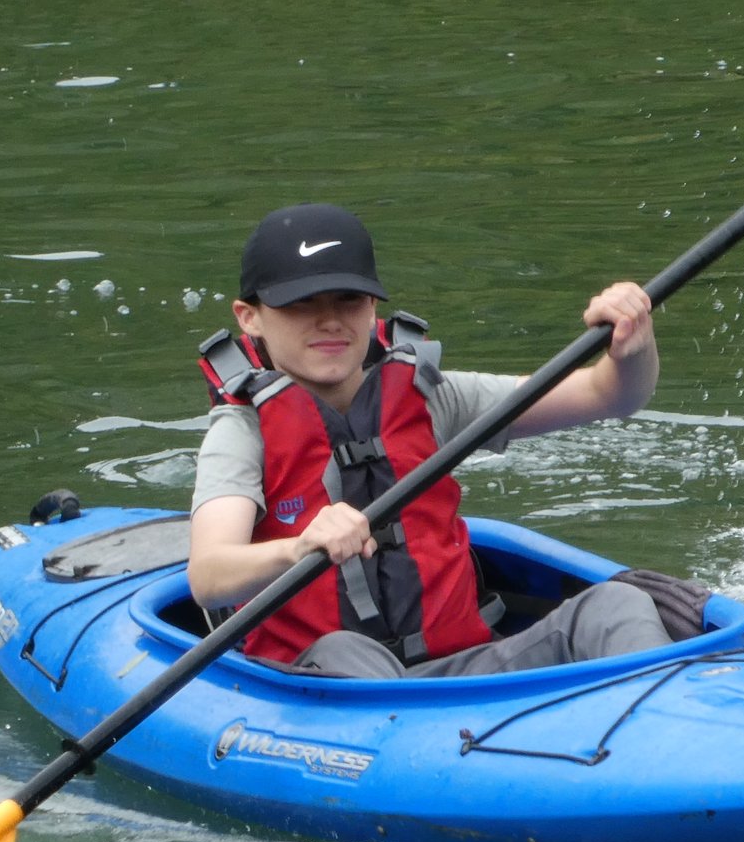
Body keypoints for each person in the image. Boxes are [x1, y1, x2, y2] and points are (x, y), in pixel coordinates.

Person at [188, 203, 672, 678]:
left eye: (348, 300)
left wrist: (635, 342)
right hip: (329, 686)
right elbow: (209, 576)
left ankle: (659, 726)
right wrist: (298, 548)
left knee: (618, 604)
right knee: (343, 650)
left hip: (463, 672)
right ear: (249, 317)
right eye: (301, 304)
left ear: (373, 305)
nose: (330, 321)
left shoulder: (432, 396)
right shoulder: (242, 431)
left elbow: (608, 394)